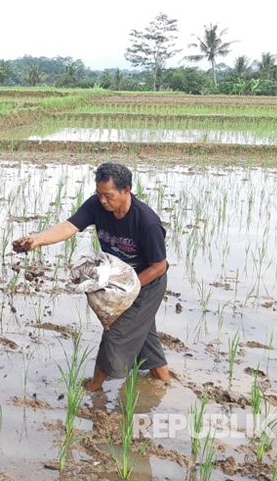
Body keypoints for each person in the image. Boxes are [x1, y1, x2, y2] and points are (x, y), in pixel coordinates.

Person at [13, 162, 170, 391]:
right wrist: (38, 239)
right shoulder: (97, 206)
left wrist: (124, 288)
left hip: (146, 283)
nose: (103, 201)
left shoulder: (146, 221)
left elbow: (160, 266)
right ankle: (164, 383)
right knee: (144, 334)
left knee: (115, 331)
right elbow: (69, 226)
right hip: (118, 279)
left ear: (126, 190)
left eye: (108, 196)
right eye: (100, 195)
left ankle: (93, 389)